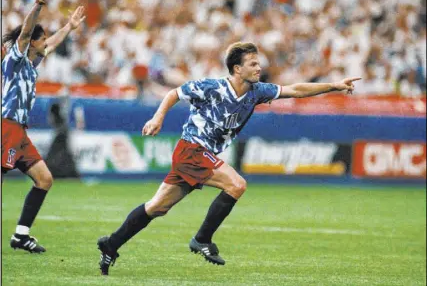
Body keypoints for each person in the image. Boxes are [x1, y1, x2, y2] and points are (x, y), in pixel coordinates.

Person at [97, 42, 361, 275]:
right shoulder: (213, 87)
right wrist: (158, 117)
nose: (259, 67)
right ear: (237, 69)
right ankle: (202, 239)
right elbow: (175, 93)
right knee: (236, 184)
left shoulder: (257, 91)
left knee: (157, 207)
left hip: (200, 154)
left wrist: (333, 86)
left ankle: (111, 244)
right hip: (192, 149)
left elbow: (295, 90)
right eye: (253, 63)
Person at [1, 0, 86, 253]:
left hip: (19, 131)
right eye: (42, 39)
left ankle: (21, 236)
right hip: (6, 127)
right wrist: (38, 3)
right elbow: (26, 32)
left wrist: (69, 27)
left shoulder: (31, 64)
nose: (46, 42)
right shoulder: (15, 60)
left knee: (45, 179)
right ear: (31, 42)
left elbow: (52, 43)